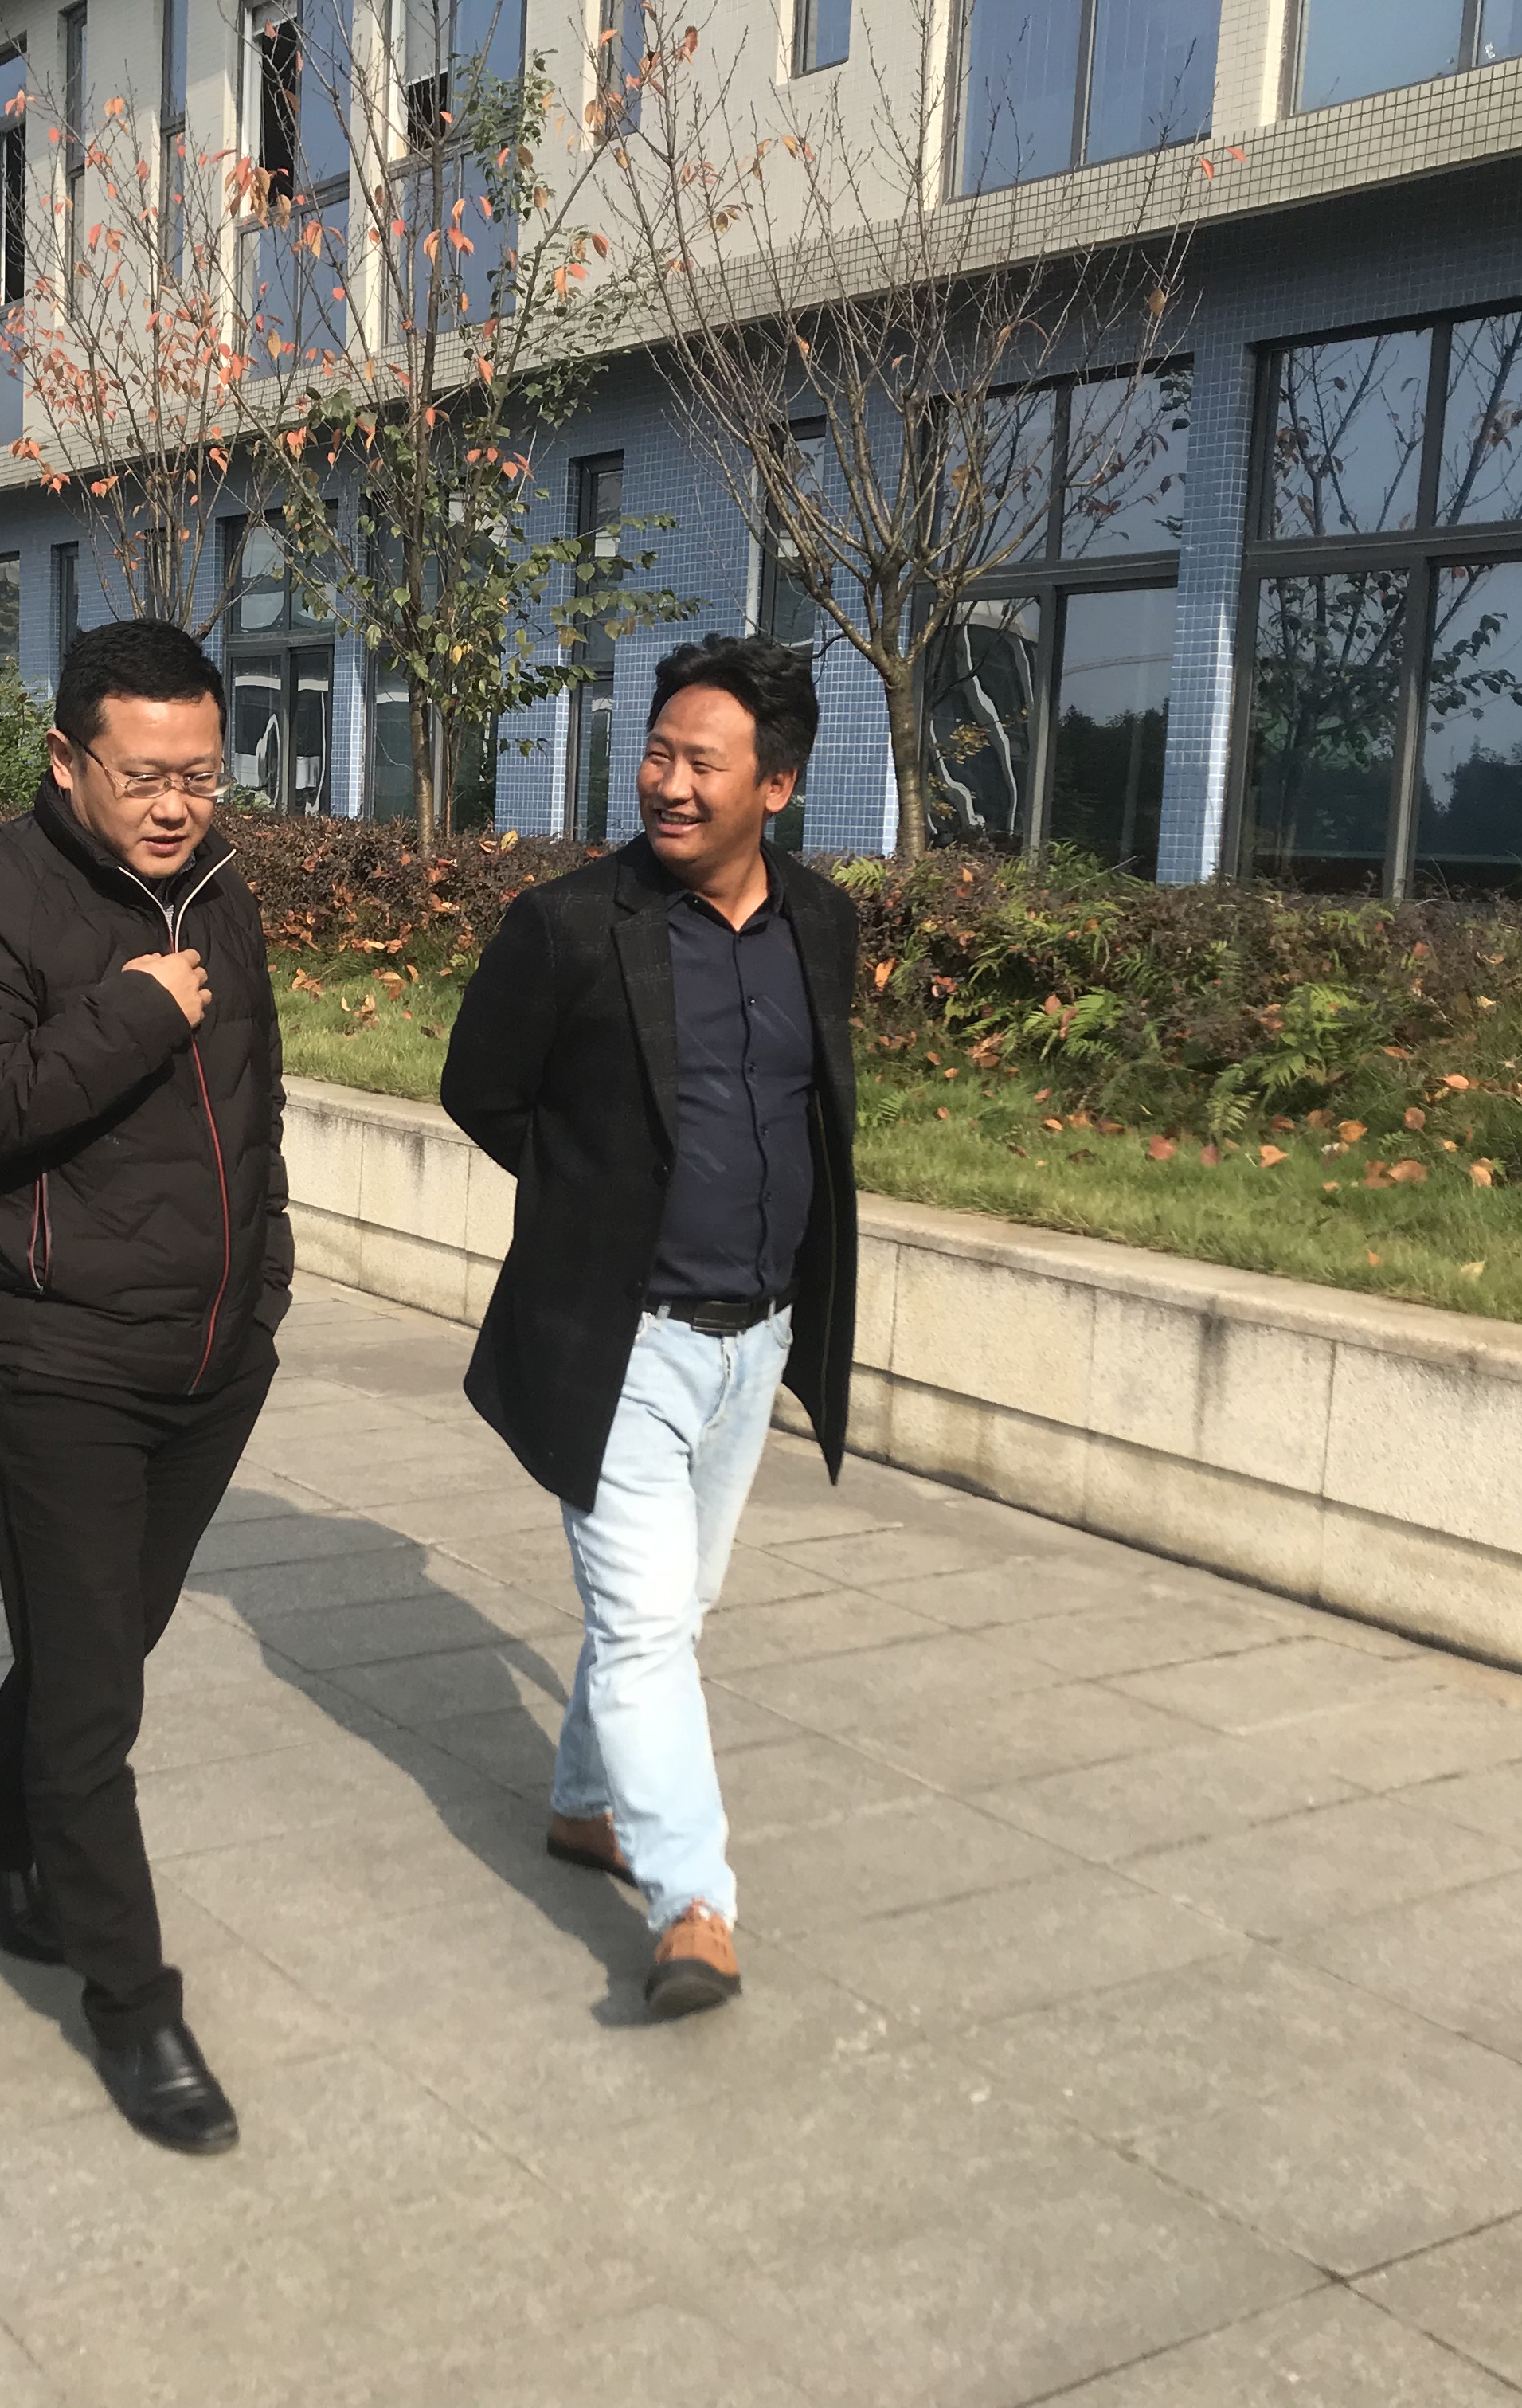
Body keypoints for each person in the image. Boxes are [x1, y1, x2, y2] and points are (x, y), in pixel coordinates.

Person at [0, 616, 290, 2154]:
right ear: (66, 757)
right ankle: (134, 2006)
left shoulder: (220, 887)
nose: (178, 803)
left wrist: (262, 1295)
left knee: (97, 1646)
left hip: (211, 1356)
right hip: (55, 1355)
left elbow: (251, 1112)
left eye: (202, 772)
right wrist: (129, 1009)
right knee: (94, 1706)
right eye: (145, 775)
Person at [439, 633, 860, 2018]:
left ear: (776, 785)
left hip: (756, 1337)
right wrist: (590, 1204)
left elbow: (812, 1104)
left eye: (703, 762)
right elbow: (479, 1089)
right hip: (621, 1337)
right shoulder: (569, 927)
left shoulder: (820, 924)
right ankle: (692, 1905)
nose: (669, 782)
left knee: (675, 1607)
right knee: (642, 1624)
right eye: (657, 753)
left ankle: (583, 1801)